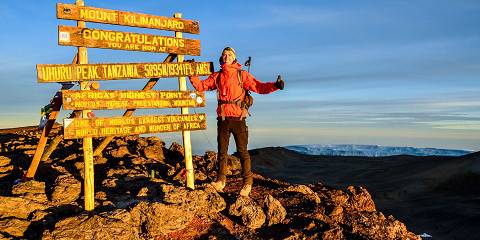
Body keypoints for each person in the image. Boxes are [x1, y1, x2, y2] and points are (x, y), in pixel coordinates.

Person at [188, 47, 284, 196]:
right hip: (223, 119)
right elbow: (201, 86)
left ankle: (247, 183)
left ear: (234, 58)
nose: (226, 57)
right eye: (224, 55)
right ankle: (220, 181)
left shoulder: (242, 74)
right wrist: (192, 73)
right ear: (222, 58)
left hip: (239, 119)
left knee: (243, 152)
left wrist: (275, 86)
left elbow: (259, 87)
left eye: (229, 55)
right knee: (222, 152)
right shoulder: (217, 76)